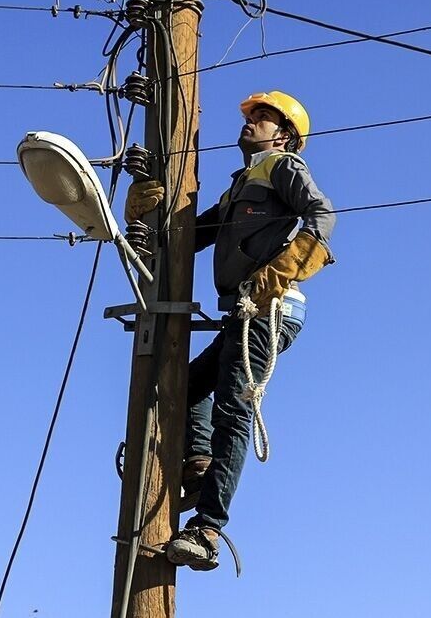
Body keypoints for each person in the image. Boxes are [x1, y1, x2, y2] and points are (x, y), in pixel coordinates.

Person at [124, 90, 335, 571]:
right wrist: (145, 213)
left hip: (269, 311)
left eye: (263, 118)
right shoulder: (240, 186)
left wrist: (276, 274)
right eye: (252, 116)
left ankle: (208, 528)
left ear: (283, 135)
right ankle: (198, 467)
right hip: (242, 314)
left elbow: (322, 217)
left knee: (233, 411)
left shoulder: (282, 167)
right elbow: (189, 238)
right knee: (180, 389)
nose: (252, 122)